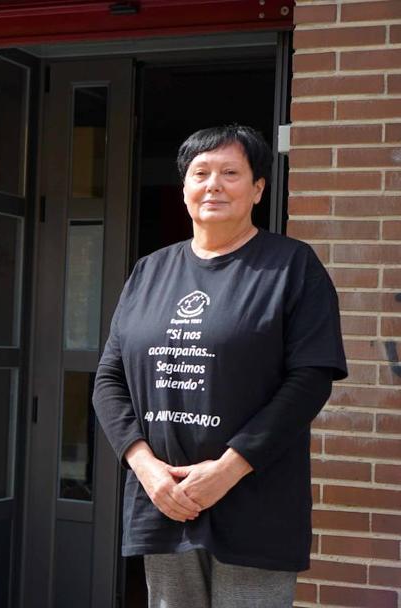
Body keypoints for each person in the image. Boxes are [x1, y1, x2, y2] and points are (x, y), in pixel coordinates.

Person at [93, 125, 347, 608]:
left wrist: (228, 470)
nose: (214, 184)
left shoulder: (292, 267)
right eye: (200, 173)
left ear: (257, 189)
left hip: (255, 499)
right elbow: (110, 379)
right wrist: (146, 468)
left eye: (231, 173)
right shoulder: (150, 271)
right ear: (184, 189)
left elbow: (310, 379)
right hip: (166, 499)